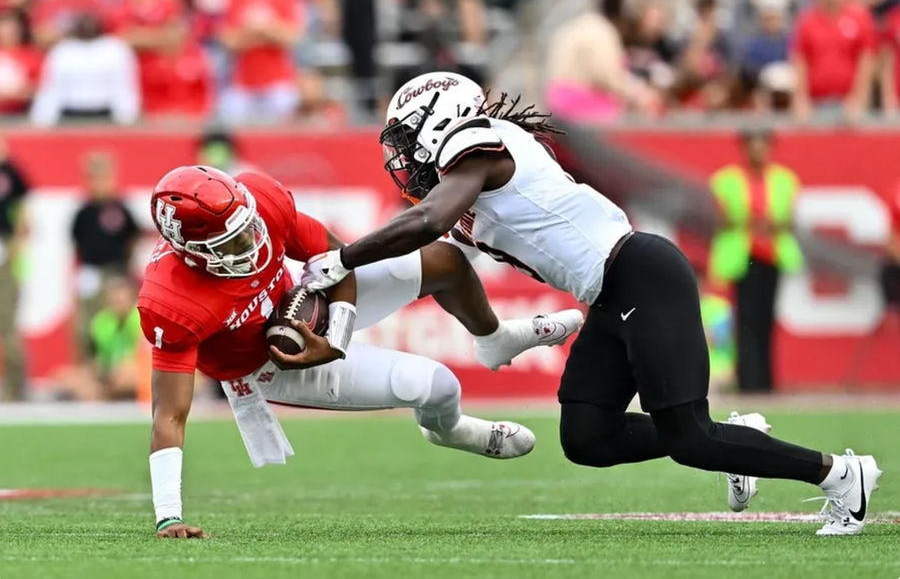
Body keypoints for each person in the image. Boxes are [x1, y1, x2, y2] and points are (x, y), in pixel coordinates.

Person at [300, 71, 882, 536]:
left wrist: (342, 260)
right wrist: (361, 289)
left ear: (440, 122)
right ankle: (738, 438)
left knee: (690, 439)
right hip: (611, 294)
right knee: (587, 437)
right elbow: (446, 263)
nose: (401, 156)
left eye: (406, 136)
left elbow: (426, 222)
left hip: (641, 274)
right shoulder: (470, 180)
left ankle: (841, 474)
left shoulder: (478, 147)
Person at [140, 165, 582, 538]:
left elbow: (336, 257)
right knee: (436, 386)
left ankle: (495, 338)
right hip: (273, 361)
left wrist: (337, 334)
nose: (252, 243)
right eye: (232, 244)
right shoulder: (175, 303)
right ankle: (452, 431)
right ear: (190, 251)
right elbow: (169, 414)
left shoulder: (262, 202)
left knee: (445, 261)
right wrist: (169, 515)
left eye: (250, 227)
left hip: (302, 297)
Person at [708, 128, 803, 394]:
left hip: (771, 254)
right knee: (747, 318)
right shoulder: (727, 180)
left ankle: (766, 382)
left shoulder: (784, 180)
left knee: (766, 317)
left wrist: (769, 223)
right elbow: (720, 218)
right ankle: (748, 381)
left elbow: (790, 219)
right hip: (742, 255)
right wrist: (750, 221)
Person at [71, 152, 139, 360]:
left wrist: (123, 270)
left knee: (118, 321)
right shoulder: (83, 213)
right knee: (86, 325)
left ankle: (122, 368)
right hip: (91, 273)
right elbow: (78, 244)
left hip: (114, 274)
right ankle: (89, 368)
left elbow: (132, 238)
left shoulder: (120, 209)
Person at [30, 13, 140, 126]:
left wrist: (127, 116)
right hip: (69, 114)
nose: (88, 27)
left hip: (105, 113)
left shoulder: (116, 48)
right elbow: (52, 87)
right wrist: (43, 118)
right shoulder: (62, 50)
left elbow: (124, 85)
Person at [790, 0, 877, 122]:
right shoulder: (807, 20)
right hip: (815, 103)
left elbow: (866, 60)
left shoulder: (859, 17)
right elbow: (800, 60)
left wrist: (859, 97)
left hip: (848, 103)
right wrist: (800, 98)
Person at [0, 136, 28, 400]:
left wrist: (18, 245)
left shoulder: (10, 173)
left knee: (7, 321)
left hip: (5, 250)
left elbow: (22, 209)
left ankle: (15, 387)